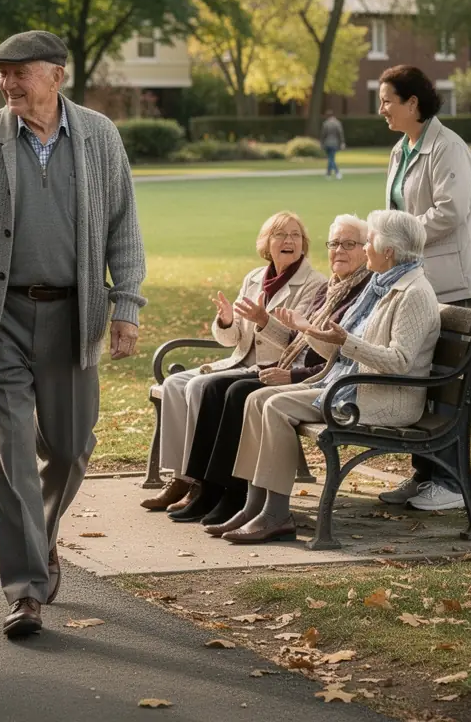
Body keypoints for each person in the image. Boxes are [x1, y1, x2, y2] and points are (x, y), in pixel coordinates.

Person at [0, 29, 145, 639]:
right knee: (11, 455)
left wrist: (127, 306)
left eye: (20, 72)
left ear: (57, 74)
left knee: (68, 448)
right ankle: (26, 589)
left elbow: (123, 229)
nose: (8, 83)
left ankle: (42, 534)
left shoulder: (99, 136)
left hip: (74, 316)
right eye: (2, 74)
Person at [220, 209, 440, 545]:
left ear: (389, 252)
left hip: (382, 397)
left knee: (275, 406)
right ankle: (254, 506)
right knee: (256, 399)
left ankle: (276, 514)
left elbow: (399, 361)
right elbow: (336, 352)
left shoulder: (413, 293)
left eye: (367, 243)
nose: (365, 249)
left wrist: (346, 342)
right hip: (349, 386)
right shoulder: (382, 286)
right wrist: (307, 330)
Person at [183, 215, 371, 528]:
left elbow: (336, 356)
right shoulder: (332, 290)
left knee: (236, 392)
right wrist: (239, 320)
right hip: (289, 369)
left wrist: (293, 374)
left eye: (349, 244)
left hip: (313, 379)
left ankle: (233, 492)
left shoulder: (340, 289)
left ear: (367, 250)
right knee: (216, 388)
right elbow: (297, 340)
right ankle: (209, 488)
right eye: (335, 244)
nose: (339, 250)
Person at [139, 212, 324, 522]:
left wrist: (264, 321)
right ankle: (182, 477)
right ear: (266, 244)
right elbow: (232, 337)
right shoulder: (254, 277)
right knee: (174, 384)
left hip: (272, 367)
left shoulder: (313, 284)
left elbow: (299, 343)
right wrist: (226, 320)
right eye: (280, 235)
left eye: (295, 235)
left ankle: (200, 482)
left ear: (304, 244)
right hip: (238, 361)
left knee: (201, 386)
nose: (289, 241)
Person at [377, 64, 471, 512]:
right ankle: (423, 473)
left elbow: (451, 213)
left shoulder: (450, 149)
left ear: (413, 103)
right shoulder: (401, 149)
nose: (382, 109)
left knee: (447, 383)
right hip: (416, 279)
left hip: (451, 280)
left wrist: (399, 237)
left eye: (388, 100)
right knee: (419, 377)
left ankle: (446, 482)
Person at [320, 109, 346, 179]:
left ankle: (329, 174)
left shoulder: (326, 123)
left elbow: (323, 135)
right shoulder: (337, 123)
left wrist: (321, 143)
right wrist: (342, 142)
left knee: (330, 159)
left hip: (327, 143)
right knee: (331, 159)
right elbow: (340, 134)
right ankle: (334, 173)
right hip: (334, 143)